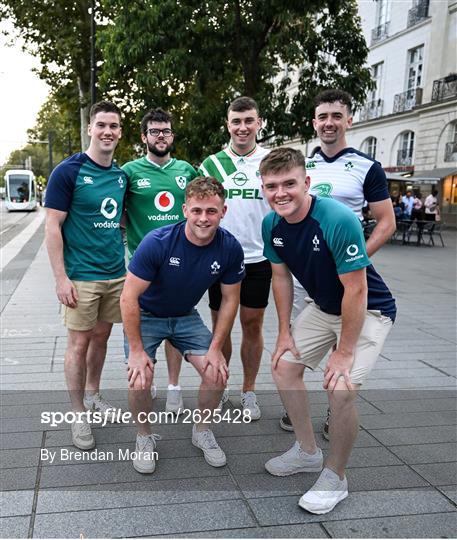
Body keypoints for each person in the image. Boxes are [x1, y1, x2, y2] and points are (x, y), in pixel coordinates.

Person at [260, 147, 396, 514]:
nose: (281, 193)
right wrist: (284, 330)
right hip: (322, 307)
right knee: (283, 365)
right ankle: (306, 451)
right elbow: (281, 277)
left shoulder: (336, 218)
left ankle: (335, 477)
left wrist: (344, 351)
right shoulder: (271, 223)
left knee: (341, 388)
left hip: (369, 310)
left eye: (289, 183)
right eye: (272, 186)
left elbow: (357, 289)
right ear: (263, 189)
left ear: (307, 183)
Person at [281, 89, 396, 434]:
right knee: (298, 349)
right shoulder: (302, 167)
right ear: (313, 122)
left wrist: (355, 260)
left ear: (349, 120)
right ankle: (296, 407)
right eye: (322, 117)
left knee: (342, 343)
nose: (329, 123)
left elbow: (386, 222)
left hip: (344, 274)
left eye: (336, 116)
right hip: (306, 276)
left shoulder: (367, 166)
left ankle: (336, 409)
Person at [120, 177, 245, 473]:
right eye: (197, 210)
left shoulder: (229, 247)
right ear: (185, 209)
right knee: (140, 377)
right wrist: (137, 351)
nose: (204, 218)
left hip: (184, 315)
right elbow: (127, 298)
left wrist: (216, 348)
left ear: (223, 211)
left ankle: (202, 430)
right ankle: (144, 437)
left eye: (211, 211)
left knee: (217, 372)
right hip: (147, 314)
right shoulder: (158, 242)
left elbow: (229, 301)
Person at [45, 101, 127, 450]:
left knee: (102, 339)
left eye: (114, 126)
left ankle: (93, 396)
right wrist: (61, 279)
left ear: (120, 133)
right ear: (90, 129)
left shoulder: (121, 176)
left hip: (115, 274)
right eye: (101, 125)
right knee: (78, 344)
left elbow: (121, 222)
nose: (107, 131)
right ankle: (78, 413)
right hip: (81, 276)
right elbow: (52, 226)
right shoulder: (69, 171)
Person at [198, 96, 271, 420]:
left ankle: (249, 390)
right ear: (228, 125)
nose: (242, 127)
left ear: (259, 123)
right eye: (236, 122)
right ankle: (223, 382)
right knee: (221, 329)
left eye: (248, 121)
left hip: (259, 260)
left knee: (252, 325)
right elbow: (200, 211)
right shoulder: (212, 164)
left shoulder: (271, 162)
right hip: (222, 260)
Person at [122, 108, 197, 414]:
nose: (161, 136)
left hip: (182, 264)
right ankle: (147, 377)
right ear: (144, 137)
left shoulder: (186, 170)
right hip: (143, 268)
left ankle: (175, 387)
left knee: (176, 324)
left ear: (172, 135)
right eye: (155, 131)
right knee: (141, 323)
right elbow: (118, 213)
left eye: (166, 131)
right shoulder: (130, 171)